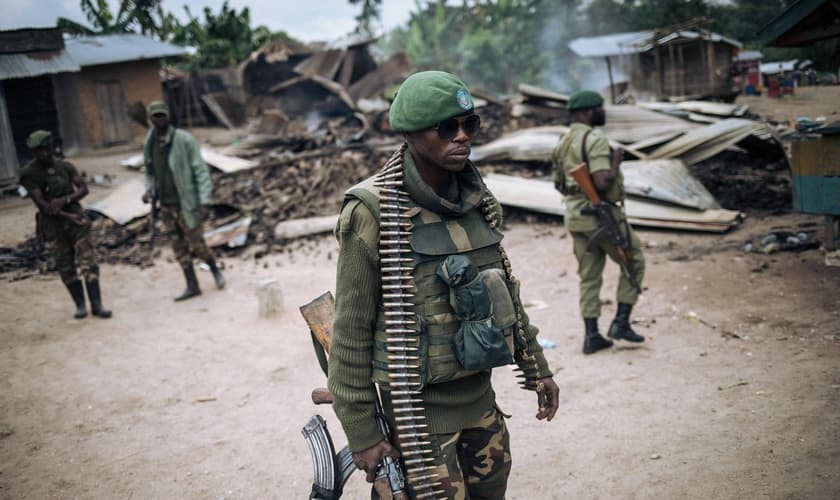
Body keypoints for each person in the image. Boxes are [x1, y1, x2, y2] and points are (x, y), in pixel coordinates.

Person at [327, 71, 560, 499]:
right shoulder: (372, 210)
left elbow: (504, 293)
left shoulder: (476, 198)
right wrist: (362, 432)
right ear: (410, 133)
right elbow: (350, 331)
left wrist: (536, 367)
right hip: (417, 418)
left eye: (469, 125)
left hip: (482, 404)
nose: (462, 137)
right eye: (446, 128)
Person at [551, 90, 646, 355]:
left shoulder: (563, 141)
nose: (604, 112)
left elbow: (558, 183)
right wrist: (615, 163)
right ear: (587, 112)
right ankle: (621, 323)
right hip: (599, 216)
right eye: (600, 108)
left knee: (589, 275)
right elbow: (602, 181)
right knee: (634, 261)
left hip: (574, 215)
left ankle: (592, 335)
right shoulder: (594, 139)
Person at [19, 130, 112, 319]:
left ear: (52, 147)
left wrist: (66, 200)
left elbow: (83, 188)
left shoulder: (65, 166)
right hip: (53, 225)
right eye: (38, 151)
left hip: (76, 220)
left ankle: (97, 305)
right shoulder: (29, 173)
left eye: (46, 149)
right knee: (65, 264)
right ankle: (80, 305)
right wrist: (68, 215)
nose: (43, 154)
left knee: (88, 260)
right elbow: (44, 206)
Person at [141, 101, 225, 300]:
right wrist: (148, 190)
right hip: (166, 205)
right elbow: (149, 171)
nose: (159, 119)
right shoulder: (150, 142)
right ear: (151, 119)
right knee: (178, 247)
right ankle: (192, 285)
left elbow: (200, 171)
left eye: (162, 115)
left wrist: (204, 201)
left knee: (197, 244)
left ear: (168, 116)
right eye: (156, 116)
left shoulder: (184, 140)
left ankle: (215, 270)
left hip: (187, 204)